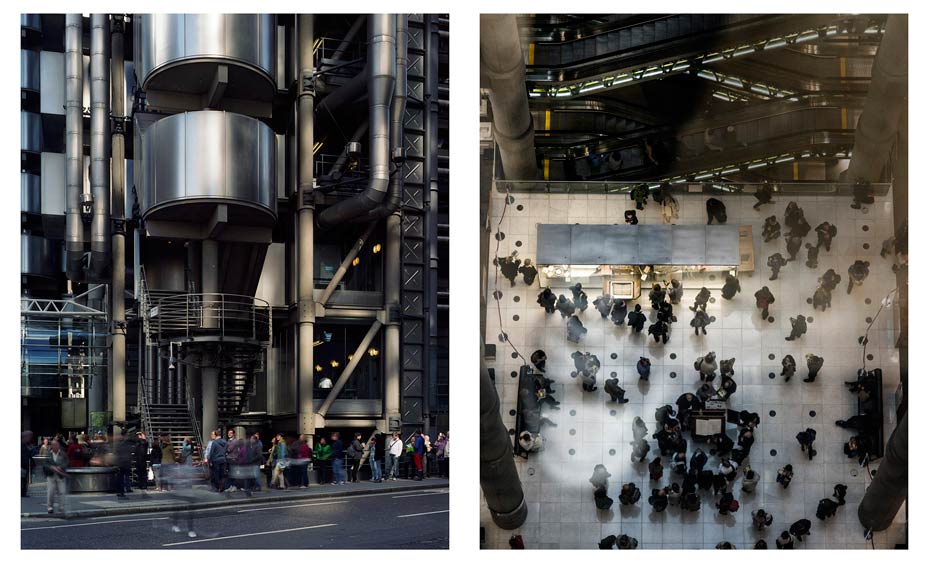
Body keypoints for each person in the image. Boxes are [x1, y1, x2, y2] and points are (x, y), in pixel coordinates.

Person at [45, 438, 69, 514]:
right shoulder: (48, 454)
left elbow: (67, 462)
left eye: (56, 445)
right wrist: (50, 467)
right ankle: (50, 507)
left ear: (58, 446)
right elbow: (45, 464)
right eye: (53, 445)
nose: (54, 446)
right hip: (51, 475)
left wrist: (61, 467)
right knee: (50, 492)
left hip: (60, 475)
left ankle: (61, 507)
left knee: (62, 492)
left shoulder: (63, 453)